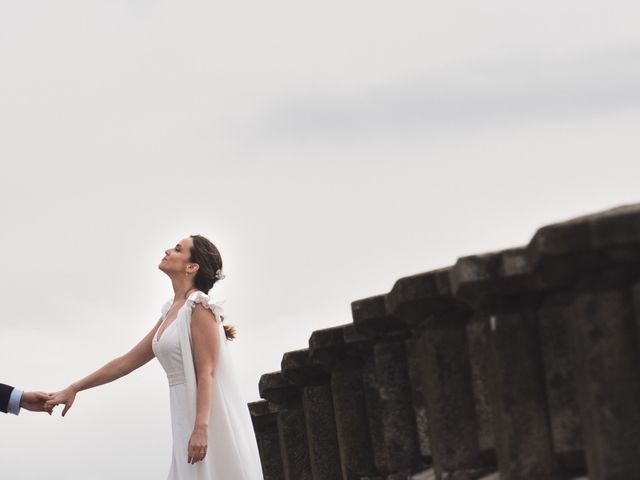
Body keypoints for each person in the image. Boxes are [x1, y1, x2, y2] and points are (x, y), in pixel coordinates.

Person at [46, 235, 264, 480]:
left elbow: (207, 373)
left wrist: (201, 429)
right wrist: (74, 388)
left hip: (207, 422)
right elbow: (125, 362)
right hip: (183, 418)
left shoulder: (199, 307)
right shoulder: (172, 309)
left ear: (192, 267)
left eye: (178, 249)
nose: (168, 250)